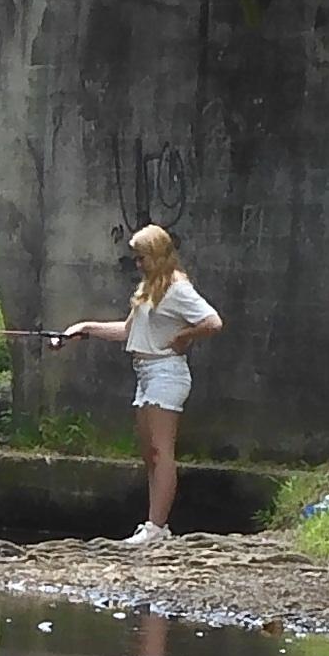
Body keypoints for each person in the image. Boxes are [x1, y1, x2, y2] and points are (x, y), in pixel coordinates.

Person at [55, 225, 224, 547]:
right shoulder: (149, 289)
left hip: (167, 373)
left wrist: (184, 336)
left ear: (158, 255)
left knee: (162, 451)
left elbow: (213, 322)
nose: (137, 264)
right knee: (150, 453)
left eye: (141, 257)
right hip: (145, 373)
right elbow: (127, 331)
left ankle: (156, 527)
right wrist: (84, 328)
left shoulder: (178, 288)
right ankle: (154, 524)